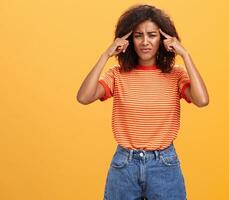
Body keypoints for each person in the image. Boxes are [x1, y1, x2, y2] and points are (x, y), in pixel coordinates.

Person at [76, 4, 209, 200]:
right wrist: (105, 55)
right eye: (138, 35)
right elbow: (83, 97)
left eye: (152, 35)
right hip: (124, 165)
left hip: (164, 165)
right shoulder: (117, 75)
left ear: (163, 39)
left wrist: (185, 55)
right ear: (129, 40)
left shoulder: (176, 75)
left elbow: (202, 100)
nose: (145, 42)